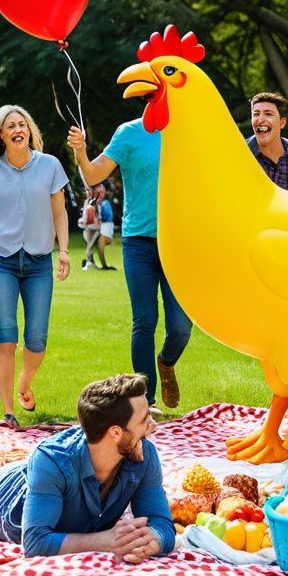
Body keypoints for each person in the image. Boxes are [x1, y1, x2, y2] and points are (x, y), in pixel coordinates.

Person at [0, 374, 174, 562]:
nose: (153, 425)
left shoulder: (142, 455)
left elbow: (162, 523)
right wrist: (106, 541)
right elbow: (35, 543)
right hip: (3, 502)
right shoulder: (52, 460)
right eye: (145, 419)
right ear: (116, 433)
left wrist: (152, 541)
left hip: (34, 477)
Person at [68, 120, 191, 413]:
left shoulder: (189, 131)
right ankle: (145, 401)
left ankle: (166, 363)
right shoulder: (129, 133)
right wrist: (81, 152)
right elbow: (93, 172)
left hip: (178, 244)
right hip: (138, 241)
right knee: (144, 320)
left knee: (181, 326)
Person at [0, 105, 70, 424]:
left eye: (22, 124)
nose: (18, 129)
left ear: (29, 131)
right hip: (1, 260)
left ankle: (25, 381)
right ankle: (8, 412)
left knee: (37, 339)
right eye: (11, 125)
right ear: (1, 134)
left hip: (40, 262)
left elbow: (59, 212)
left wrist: (65, 250)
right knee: (6, 337)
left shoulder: (50, 166)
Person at [79, 184, 101, 268]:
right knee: (89, 245)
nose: (87, 192)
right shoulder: (86, 201)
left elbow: (94, 215)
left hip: (93, 227)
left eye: (89, 190)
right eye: (86, 190)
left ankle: (88, 262)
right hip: (87, 227)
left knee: (89, 246)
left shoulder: (94, 201)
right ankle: (92, 262)